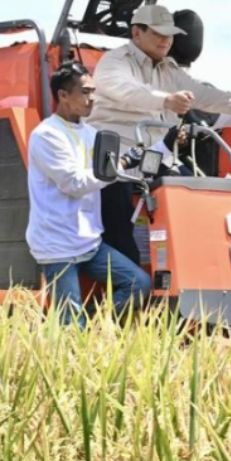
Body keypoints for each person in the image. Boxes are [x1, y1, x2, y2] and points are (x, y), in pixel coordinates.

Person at [89, 3, 231, 264]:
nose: (165, 40)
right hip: (116, 159)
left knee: (198, 196)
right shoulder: (114, 62)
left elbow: (204, 94)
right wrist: (166, 100)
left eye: (169, 35)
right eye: (158, 33)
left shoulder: (169, 70)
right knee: (120, 229)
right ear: (136, 33)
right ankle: (127, 278)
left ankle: (203, 266)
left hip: (155, 156)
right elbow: (127, 90)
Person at [27, 62, 151, 326]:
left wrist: (165, 146)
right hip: (57, 244)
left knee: (139, 283)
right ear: (63, 95)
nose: (92, 98)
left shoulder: (92, 134)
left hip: (90, 242)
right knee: (70, 324)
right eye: (85, 92)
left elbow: (111, 173)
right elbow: (74, 183)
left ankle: (96, 328)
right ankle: (79, 337)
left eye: (93, 91)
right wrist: (120, 165)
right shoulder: (46, 135)